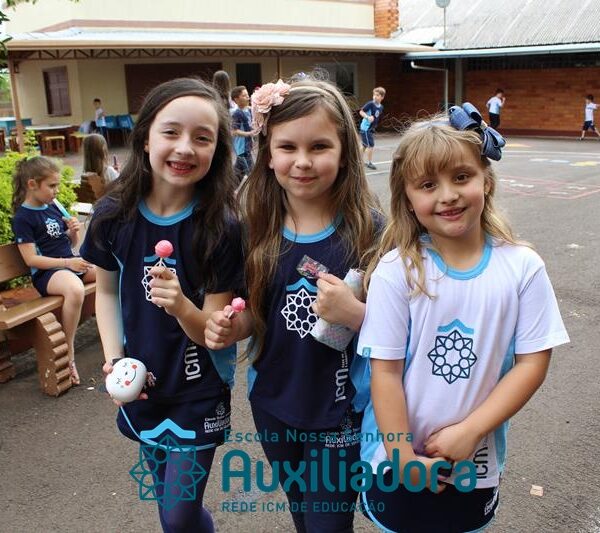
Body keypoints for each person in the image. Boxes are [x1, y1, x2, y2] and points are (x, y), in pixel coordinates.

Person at [356, 103, 570, 533]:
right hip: (396, 460)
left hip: (476, 461)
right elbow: (385, 373)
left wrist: (471, 430)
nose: (448, 195)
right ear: (407, 199)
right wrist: (402, 457)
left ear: (486, 180)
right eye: (428, 184)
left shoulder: (523, 268)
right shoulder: (397, 272)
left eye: (461, 177)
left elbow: (532, 363)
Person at [205, 77, 384, 532]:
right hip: (273, 403)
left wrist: (357, 314)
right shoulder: (253, 228)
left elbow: (410, 327)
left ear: (344, 151)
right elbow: (254, 312)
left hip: (341, 411)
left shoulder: (372, 232)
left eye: (319, 146)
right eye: (287, 147)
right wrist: (232, 326)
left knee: (327, 525)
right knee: (301, 512)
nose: (302, 161)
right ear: (268, 153)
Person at [80, 78, 243, 532]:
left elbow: (212, 331)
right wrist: (114, 360)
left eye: (202, 138)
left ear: (217, 150)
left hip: (198, 389)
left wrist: (181, 306)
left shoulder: (222, 226)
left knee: (179, 514)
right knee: (169, 510)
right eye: (171, 132)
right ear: (146, 137)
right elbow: (106, 292)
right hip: (142, 385)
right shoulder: (113, 215)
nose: (185, 147)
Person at [11, 156, 96, 386]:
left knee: (110, 271)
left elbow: (68, 244)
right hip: (47, 275)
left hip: (68, 264)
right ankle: (69, 353)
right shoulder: (23, 218)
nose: (56, 191)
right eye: (52, 185)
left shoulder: (53, 207)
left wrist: (73, 232)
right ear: (32, 184)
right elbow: (31, 259)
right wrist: (67, 263)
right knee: (75, 289)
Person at [230, 85, 257, 183]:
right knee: (252, 174)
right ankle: (255, 191)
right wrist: (249, 133)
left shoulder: (249, 110)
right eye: (244, 95)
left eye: (247, 95)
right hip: (242, 148)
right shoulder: (237, 114)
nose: (247, 97)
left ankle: (229, 188)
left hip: (247, 147)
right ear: (236, 99)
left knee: (237, 173)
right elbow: (234, 131)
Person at [359, 86, 385, 170]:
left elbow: (377, 116)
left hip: (371, 128)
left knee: (364, 145)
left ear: (382, 97)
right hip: (365, 128)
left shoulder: (381, 107)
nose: (375, 96)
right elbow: (361, 111)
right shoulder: (370, 104)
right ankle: (369, 163)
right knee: (370, 145)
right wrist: (367, 117)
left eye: (377, 95)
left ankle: (357, 160)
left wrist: (375, 125)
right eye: (374, 95)